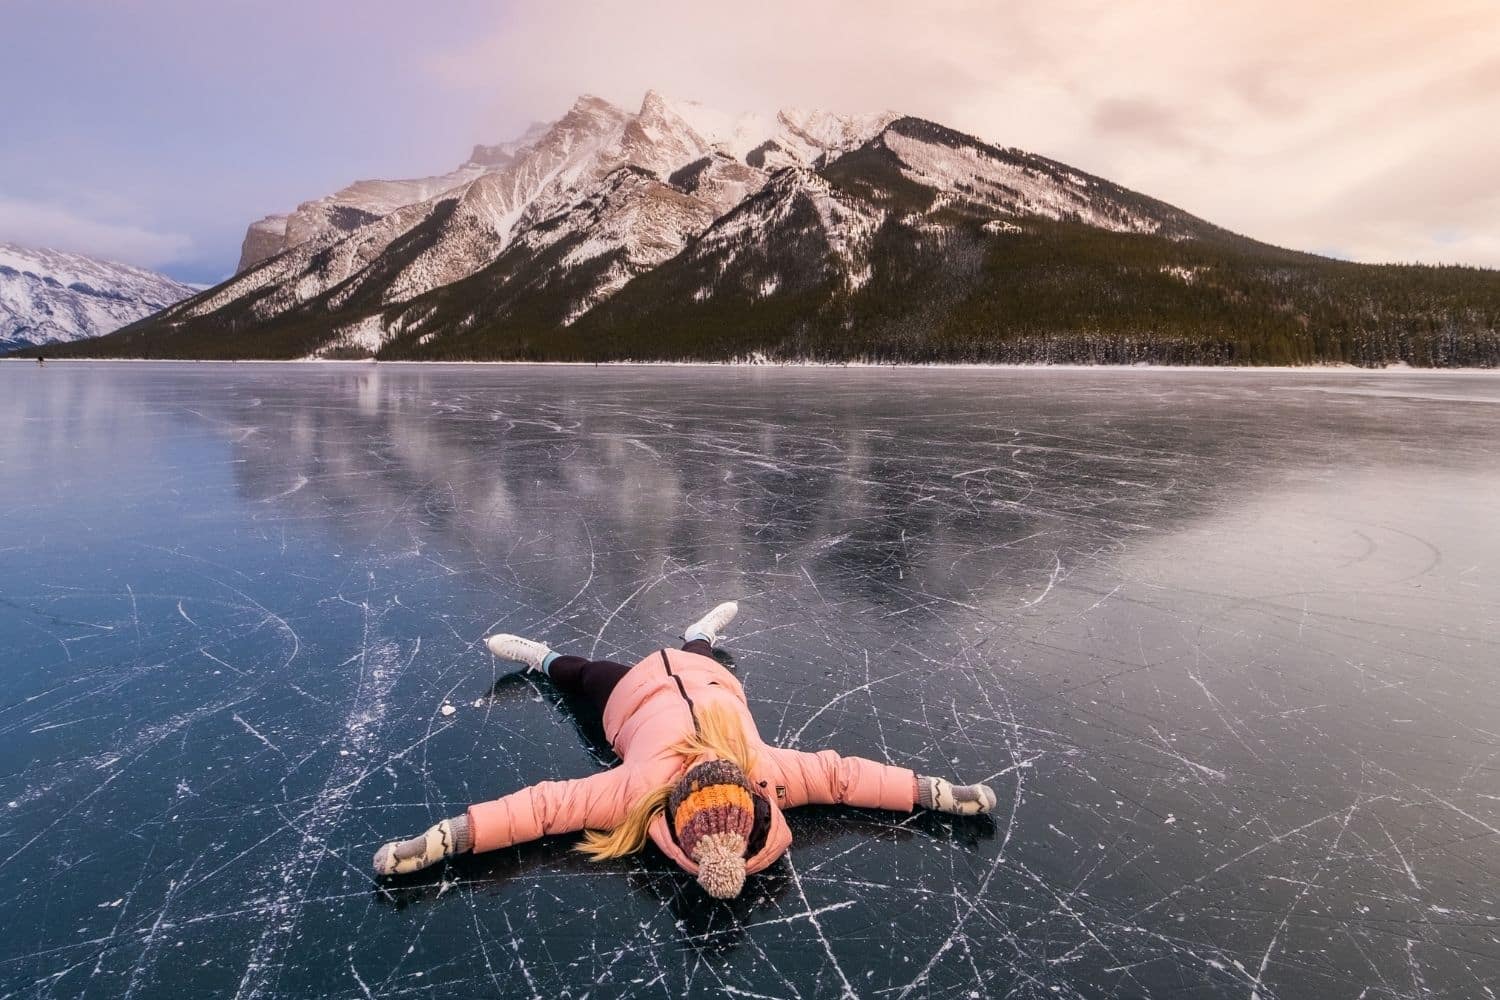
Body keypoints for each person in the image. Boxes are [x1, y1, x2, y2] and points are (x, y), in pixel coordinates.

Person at [372, 602, 996, 899]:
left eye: (700, 783)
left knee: (581, 673)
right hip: (706, 678)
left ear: (674, 808)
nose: (709, 767)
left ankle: (540, 656)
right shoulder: (771, 776)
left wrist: (444, 839)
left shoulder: (634, 795)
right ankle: (699, 633)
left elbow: (538, 811)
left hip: (632, 695)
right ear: (752, 796)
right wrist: (935, 792)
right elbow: (845, 780)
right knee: (698, 652)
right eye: (726, 779)